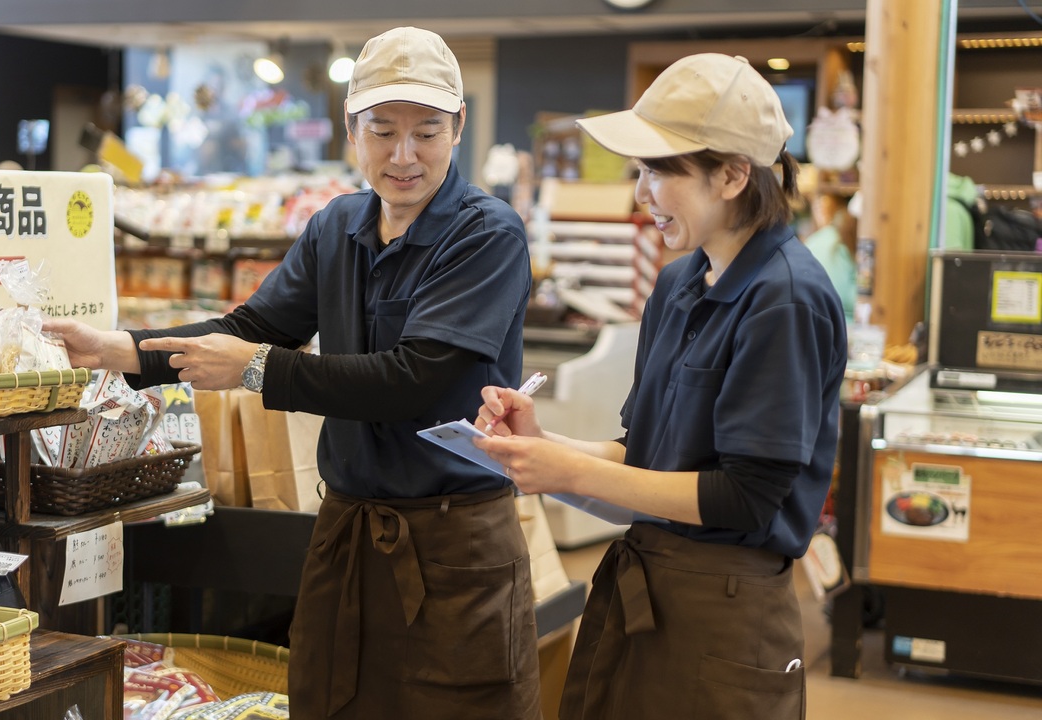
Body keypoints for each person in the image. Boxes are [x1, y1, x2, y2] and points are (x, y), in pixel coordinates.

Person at [44, 26, 540, 720]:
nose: (403, 155)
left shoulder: (486, 234)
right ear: (351, 130)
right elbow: (253, 328)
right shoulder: (336, 226)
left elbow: (415, 379)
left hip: (453, 542)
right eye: (383, 131)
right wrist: (120, 350)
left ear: (458, 127)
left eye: (426, 133)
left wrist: (258, 371)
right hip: (346, 533)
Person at [473, 53, 847, 720]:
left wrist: (569, 473)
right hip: (649, 594)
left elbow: (745, 497)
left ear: (732, 174)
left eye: (659, 171)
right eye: (639, 171)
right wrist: (542, 447)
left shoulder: (786, 299)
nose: (642, 193)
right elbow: (643, 459)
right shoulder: (678, 283)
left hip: (727, 616)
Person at [802, 192, 856, 322]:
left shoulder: (811, 241)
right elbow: (845, 296)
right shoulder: (838, 243)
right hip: (841, 323)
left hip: (813, 320)